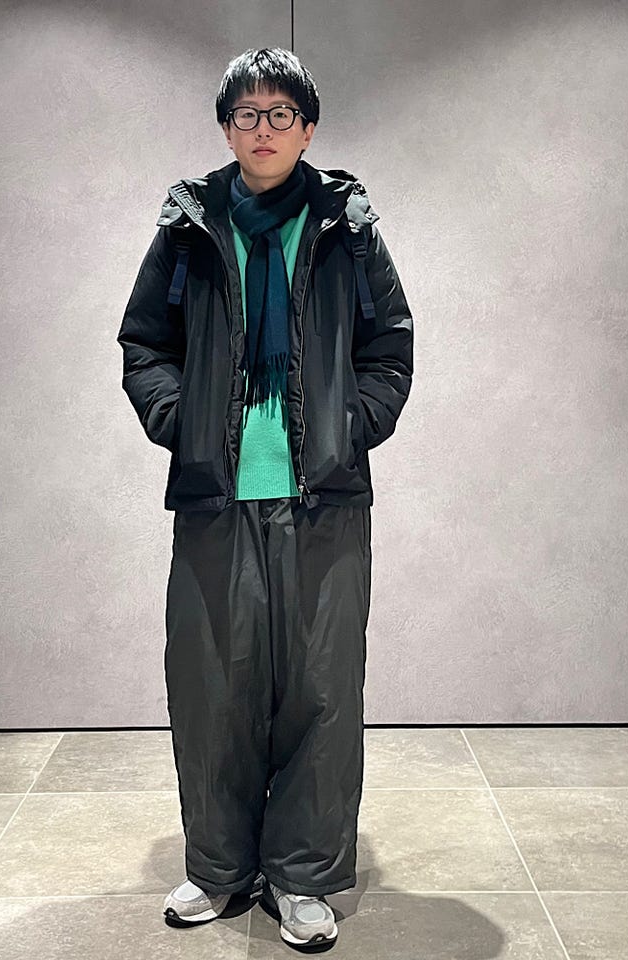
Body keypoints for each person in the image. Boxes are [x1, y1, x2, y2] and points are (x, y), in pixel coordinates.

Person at [117, 47, 414, 951]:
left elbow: (390, 346)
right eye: (246, 114)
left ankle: (305, 877)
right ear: (226, 129)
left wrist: (350, 426)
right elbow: (144, 342)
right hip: (216, 498)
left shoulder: (346, 229)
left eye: (281, 113)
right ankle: (217, 868)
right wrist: (181, 421)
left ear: (308, 128)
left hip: (325, 497)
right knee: (214, 686)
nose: (263, 129)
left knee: (321, 690)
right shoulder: (189, 228)